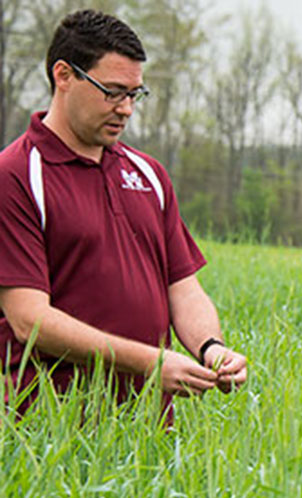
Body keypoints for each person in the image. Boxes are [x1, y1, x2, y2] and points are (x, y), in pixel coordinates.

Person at [0, 10, 247, 411]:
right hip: (49, 428)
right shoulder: (15, 176)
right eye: (112, 91)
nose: (127, 109)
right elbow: (30, 319)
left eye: (135, 94)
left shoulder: (149, 175)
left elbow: (182, 289)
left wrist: (211, 347)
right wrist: (150, 361)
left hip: (148, 434)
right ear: (63, 75)